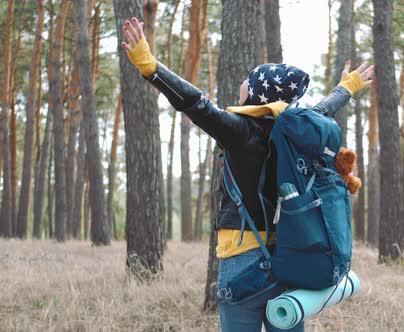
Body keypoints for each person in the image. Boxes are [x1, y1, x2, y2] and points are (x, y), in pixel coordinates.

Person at [121, 17, 373, 332]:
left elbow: (194, 102)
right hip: (289, 258)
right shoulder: (296, 133)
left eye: (247, 80)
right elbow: (325, 109)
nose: (241, 84)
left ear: (255, 92)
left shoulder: (238, 129)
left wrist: (149, 65)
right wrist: (347, 86)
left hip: (242, 262)